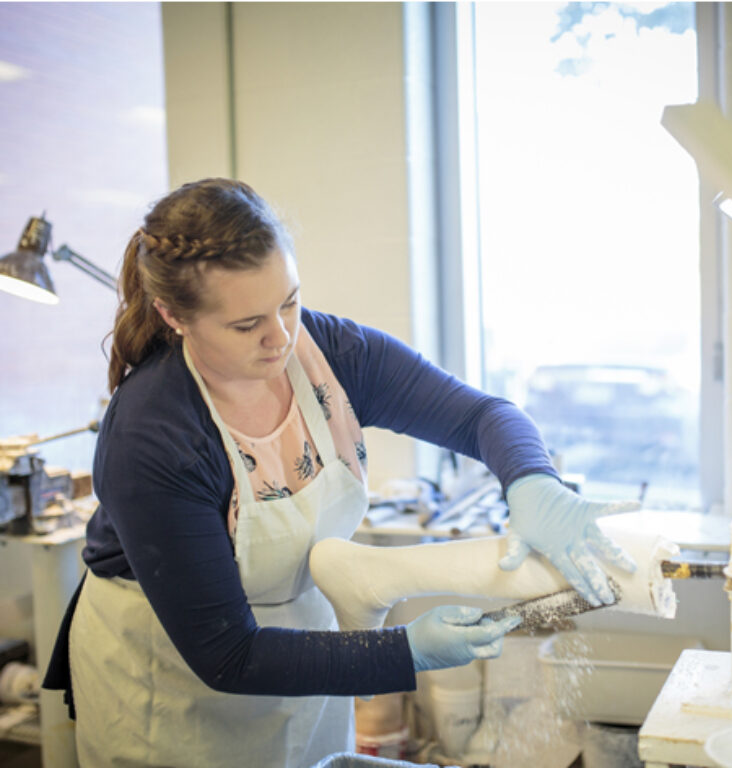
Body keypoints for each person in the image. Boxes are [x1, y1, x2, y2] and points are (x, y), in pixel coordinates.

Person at [43, 178, 636, 768]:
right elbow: (227, 656)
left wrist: (533, 482)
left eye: (289, 301)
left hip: (300, 650)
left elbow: (483, 415)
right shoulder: (155, 435)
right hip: (171, 683)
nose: (280, 337)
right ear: (173, 315)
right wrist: (404, 652)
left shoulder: (329, 355)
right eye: (247, 324)